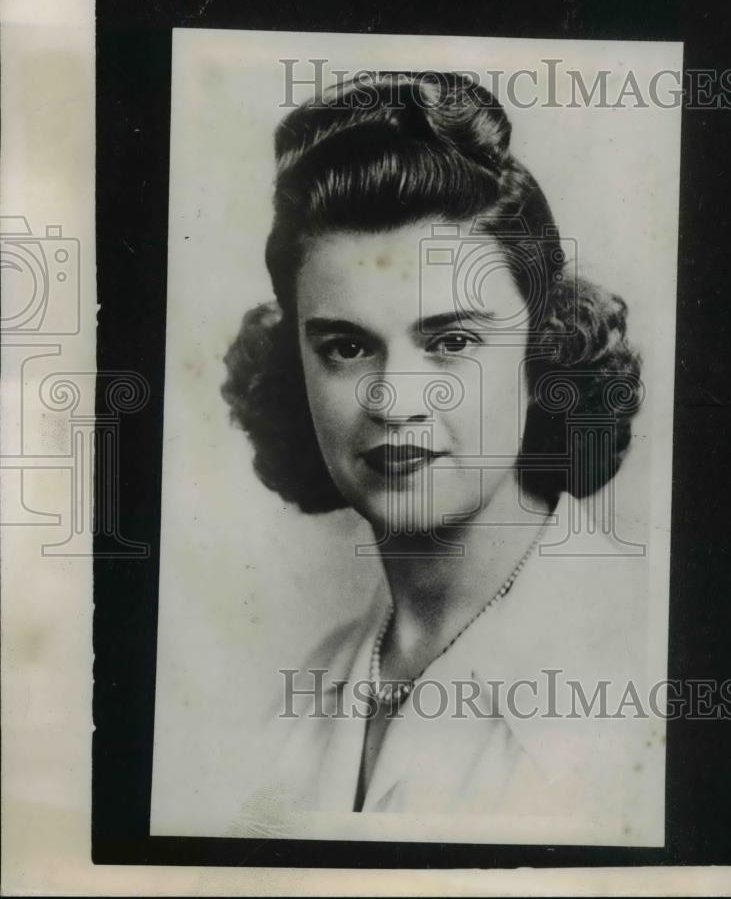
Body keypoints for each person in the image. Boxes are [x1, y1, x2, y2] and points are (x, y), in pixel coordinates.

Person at [221, 72, 662, 844]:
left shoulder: (647, 674)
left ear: (542, 349)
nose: (395, 400)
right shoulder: (309, 684)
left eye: (451, 341)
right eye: (346, 347)